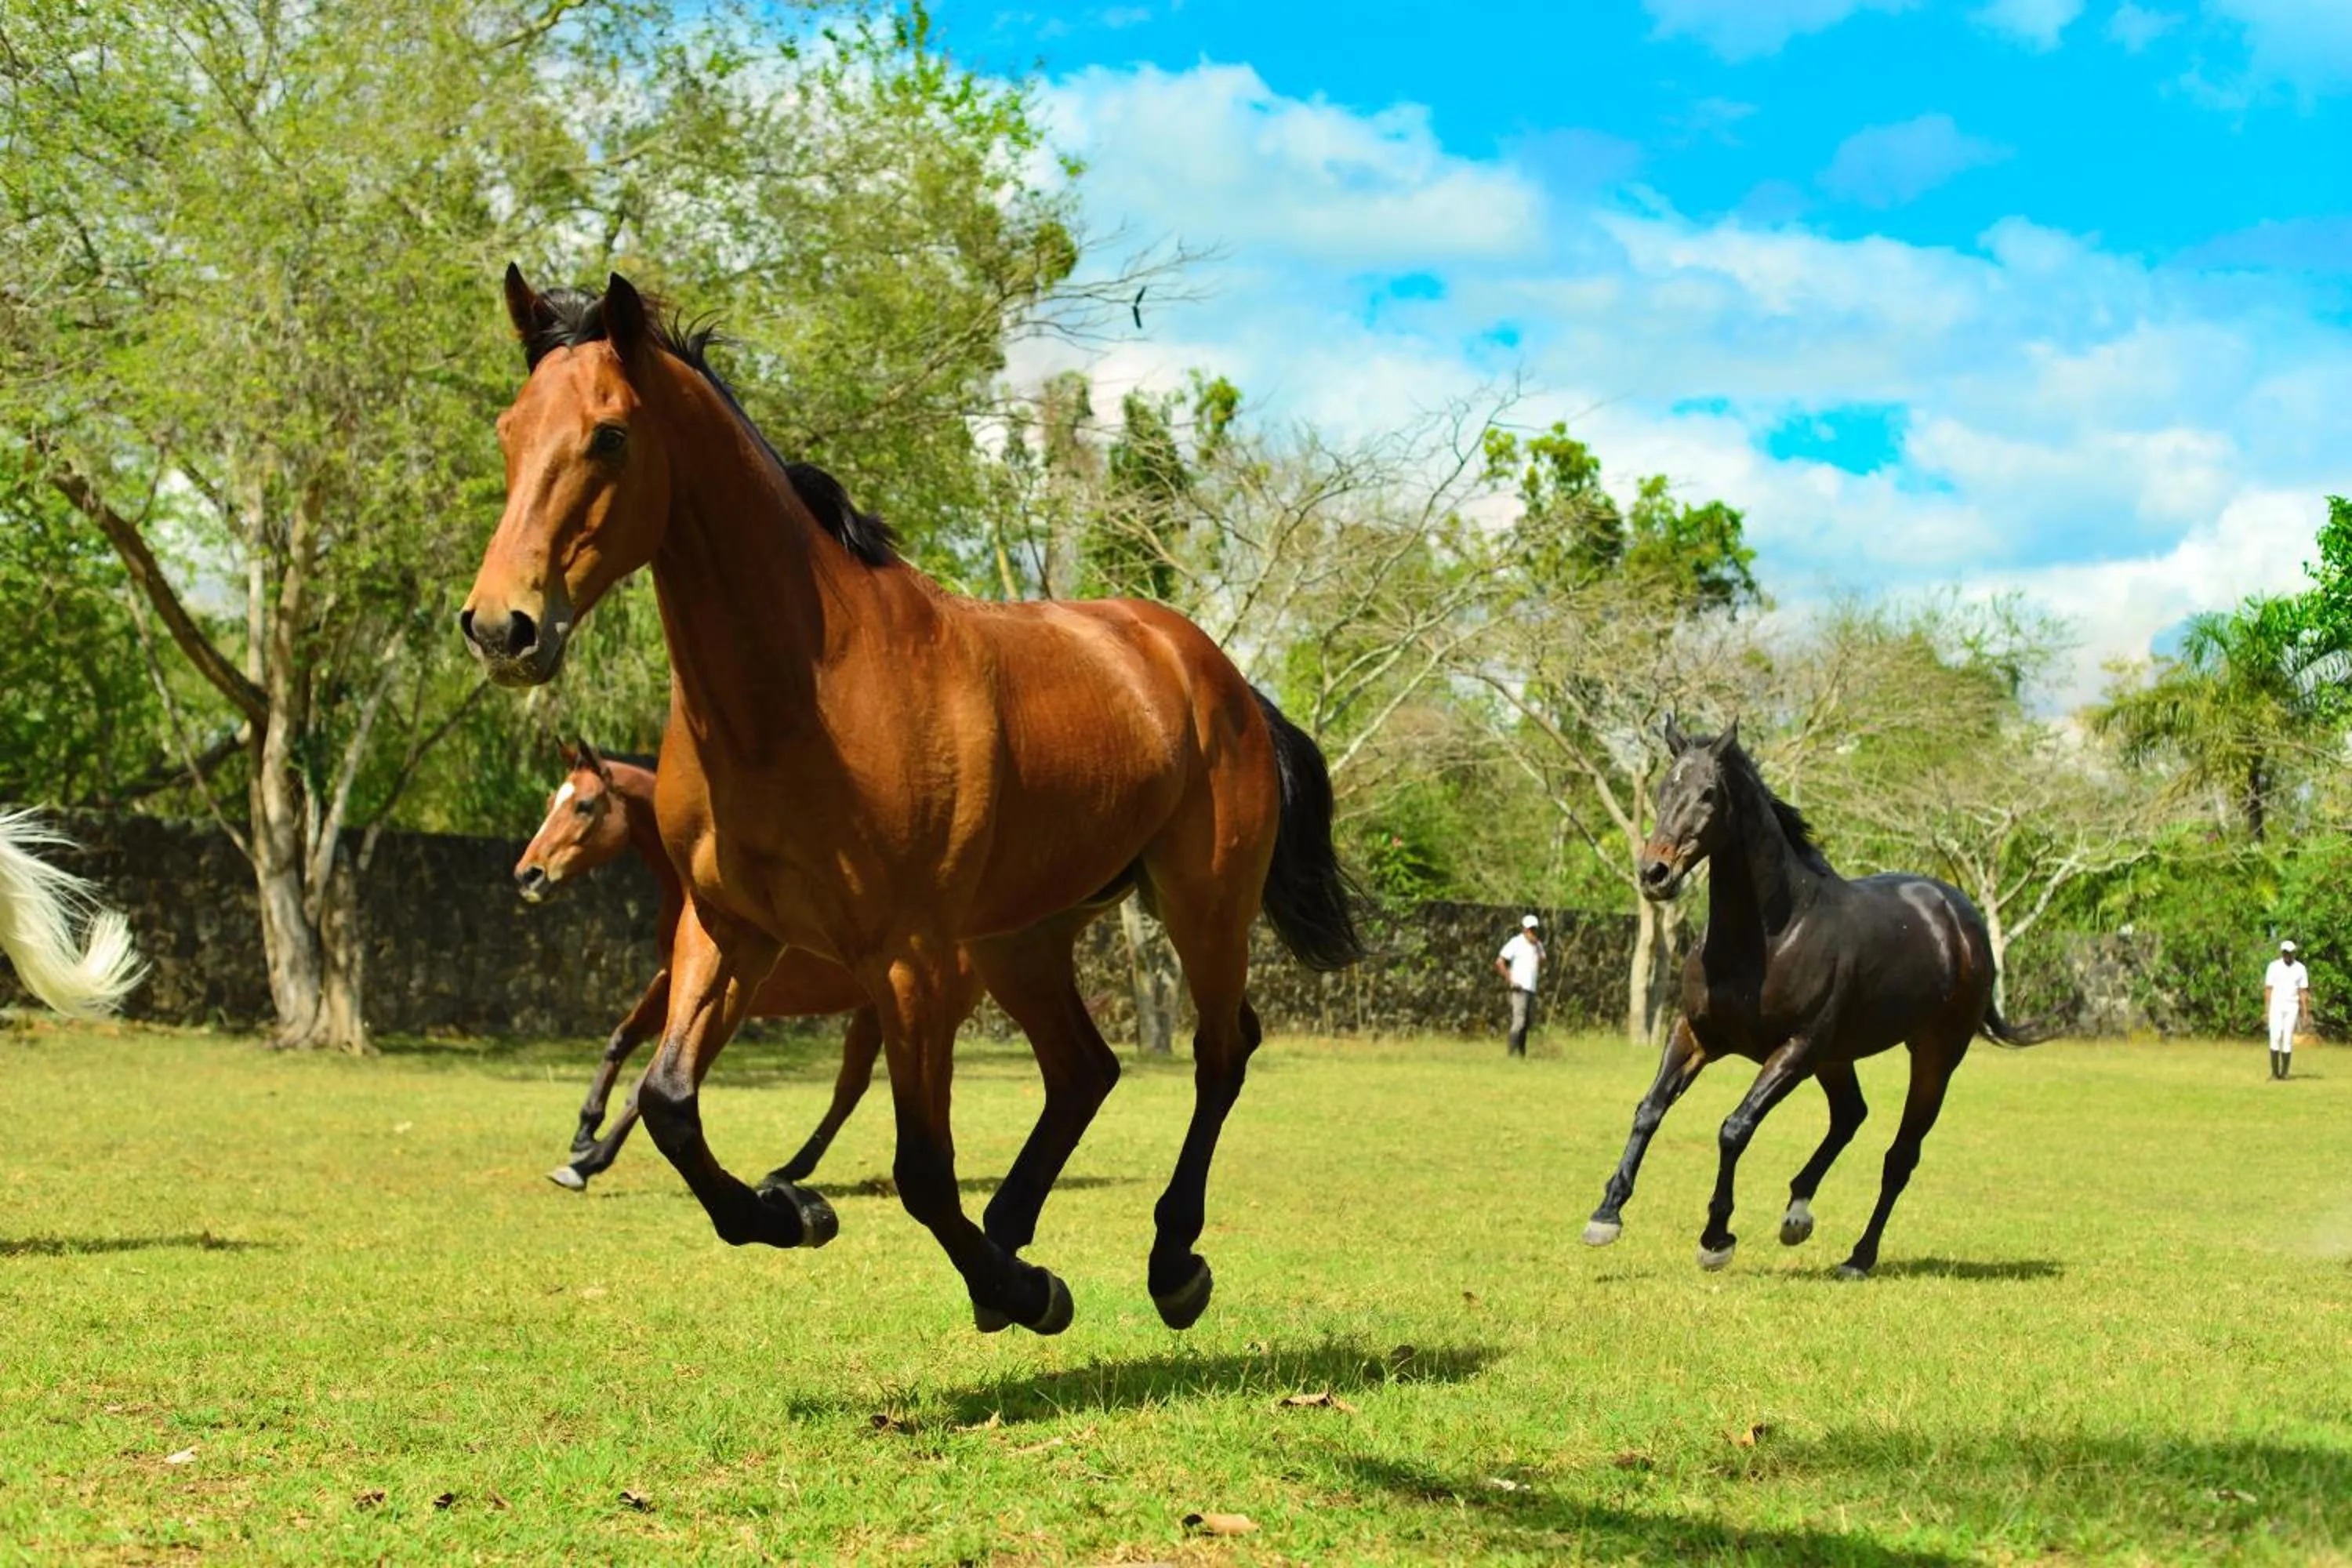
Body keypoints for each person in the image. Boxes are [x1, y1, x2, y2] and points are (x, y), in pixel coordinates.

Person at [1494, 914, 1544, 1058]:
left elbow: (1543, 960)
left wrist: (1539, 950)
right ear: (1524, 929)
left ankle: (1521, 1053)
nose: (1532, 932)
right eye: (1530, 929)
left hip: (1531, 987)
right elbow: (1500, 962)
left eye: (1534, 929)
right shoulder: (1516, 943)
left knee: (1527, 1022)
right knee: (1519, 1022)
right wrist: (1511, 979)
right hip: (1519, 987)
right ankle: (1512, 1053)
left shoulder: (1537, 945)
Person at [2264, 939, 2310, 1081]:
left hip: (2292, 1006)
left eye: (2289, 953)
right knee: (2275, 1036)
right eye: (2285, 952)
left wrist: (2305, 1013)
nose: (2287, 955)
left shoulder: (2300, 969)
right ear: (2282, 952)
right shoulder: (2273, 967)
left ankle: (2284, 1073)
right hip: (2276, 1006)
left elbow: (2303, 992)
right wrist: (2267, 1009)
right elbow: (2268, 989)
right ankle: (2275, 1073)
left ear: (2293, 953)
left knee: (2287, 1038)